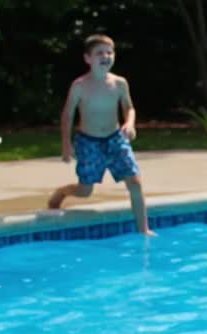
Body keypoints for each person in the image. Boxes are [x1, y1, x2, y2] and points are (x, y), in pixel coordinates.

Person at [48, 34, 154, 236]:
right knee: (85, 191)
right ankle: (62, 192)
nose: (106, 56)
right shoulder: (79, 86)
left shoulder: (119, 83)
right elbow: (67, 115)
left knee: (134, 182)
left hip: (115, 139)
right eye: (100, 53)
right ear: (87, 58)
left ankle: (144, 231)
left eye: (109, 52)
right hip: (89, 142)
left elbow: (129, 108)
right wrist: (66, 145)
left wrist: (129, 123)